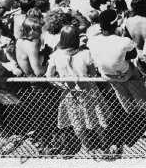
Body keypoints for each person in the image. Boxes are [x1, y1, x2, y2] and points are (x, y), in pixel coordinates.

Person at [46, 25, 111, 156]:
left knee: (76, 121)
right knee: (95, 119)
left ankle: (85, 146)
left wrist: (60, 85)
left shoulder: (55, 56)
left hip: (69, 93)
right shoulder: (85, 54)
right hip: (88, 91)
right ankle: (104, 143)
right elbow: (93, 74)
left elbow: (48, 76)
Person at [86, 9, 146, 114]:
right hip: (126, 73)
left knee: (122, 92)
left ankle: (130, 111)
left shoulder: (91, 41)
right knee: (136, 82)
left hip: (108, 75)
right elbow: (133, 54)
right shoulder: (123, 41)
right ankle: (145, 107)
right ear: (115, 24)